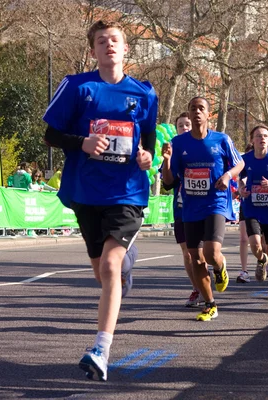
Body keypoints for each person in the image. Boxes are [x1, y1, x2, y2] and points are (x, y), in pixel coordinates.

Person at [42, 20, 158, 382]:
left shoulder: (144, 94)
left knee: (109, 267)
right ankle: (125, 263)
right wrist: (83, 143)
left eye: (115, 40)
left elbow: (148, 144)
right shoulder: (78, 86)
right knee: (103, 272)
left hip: (127, 192)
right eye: (101, 41)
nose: (109, 45)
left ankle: (101, 349)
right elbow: (50, 134)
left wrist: (146, 158)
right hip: (86, 192)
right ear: (92, 50)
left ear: (126, 50)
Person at [164, 96, 244, 321]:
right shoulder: (178, 144)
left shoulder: (222, 140)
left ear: (209, 115)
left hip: (216, 203)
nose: (197, 112)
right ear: (188, 115)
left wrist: (228, 175)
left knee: (210, 253)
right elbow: (169, 181)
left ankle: (220, 266)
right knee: (196, 258)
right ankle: (210, 304)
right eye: (193, 109)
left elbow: (240, 163)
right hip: (191, 207)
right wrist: (168, 161)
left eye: (201, 109)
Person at [161, 112, 204, 307]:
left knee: (204, 253)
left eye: (187, 124)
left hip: (205, 207)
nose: (185, 128)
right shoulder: (173, 150)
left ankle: (212, 275)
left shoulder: (206, 145)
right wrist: (167, 161)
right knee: (187, 253)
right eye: (180, 125)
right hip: (182, 208)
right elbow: (167, 184)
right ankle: (197, 289)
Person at [239, 125, 268, 300]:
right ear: (252, 140)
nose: (262, 139)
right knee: (255, 245)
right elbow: (240, 178)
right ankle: (261, 259)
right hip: (252, 208)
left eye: (265, 136)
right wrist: (242, 188)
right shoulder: (245, 159)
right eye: (258, 136)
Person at [236, 143, 254, 284]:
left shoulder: (267, 161)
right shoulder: (242, 163)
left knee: (262, 242)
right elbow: (240, 181)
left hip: (264, 206)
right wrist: (241, 189)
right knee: (243, 239)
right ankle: (244, 271)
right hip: (246, 204)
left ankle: (263, 262)